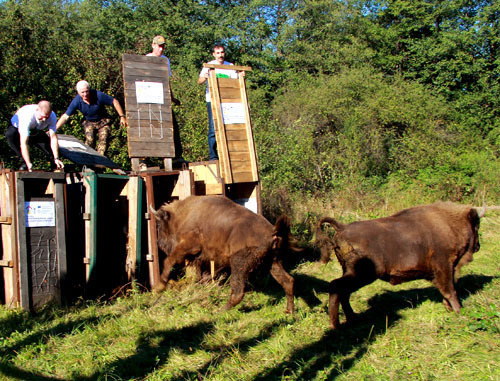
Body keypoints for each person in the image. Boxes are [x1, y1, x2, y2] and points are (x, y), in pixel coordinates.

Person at [56, 80, 127, 156]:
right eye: (82, 92)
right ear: (78, 92)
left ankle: (100, 163)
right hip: (89, 121)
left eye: (87, 91)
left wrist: (122, 116)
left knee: (103, 142)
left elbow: (114, 101)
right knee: (89, 141)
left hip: (103, 121)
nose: (85, 94)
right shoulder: (76, 101)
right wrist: (54, 129)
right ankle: (89, 163)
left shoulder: (98, 95)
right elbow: (65, 116)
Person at [198, 45, 243, 161]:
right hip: (212, 100)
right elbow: (199, 81)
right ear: (214, 54)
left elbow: (236, 81)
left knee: (230, 127)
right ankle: (213, 156)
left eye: (222, 52)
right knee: (213, 128)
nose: (220, 55)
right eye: (218, 53)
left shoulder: (230, 66)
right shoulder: (209, 65)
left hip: (227, 101)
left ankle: (230, 154)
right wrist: (206, 76)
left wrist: (241, 76)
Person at [146, 35, 184, 165]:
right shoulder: (146, 59)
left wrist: (172, 97)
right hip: (149, 96)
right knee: (150, 125)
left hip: (163, 97)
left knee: (172, 125)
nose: (161, 49)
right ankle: (147, 159)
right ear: (153, 45)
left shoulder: (165, 60)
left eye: (163, 46)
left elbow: (167, 81)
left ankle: (176, 156)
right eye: (159, 46)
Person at [5, 100, 64, 171]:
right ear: (37, 110)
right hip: (17, 130)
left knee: (50, 149)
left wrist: (56, 158)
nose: (44, 119)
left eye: (47, 117)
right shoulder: (27, 116)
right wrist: (28, 162)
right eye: (43, 117)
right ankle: (24, 162)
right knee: (10, 134)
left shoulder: (52, 116)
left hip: (36, 131)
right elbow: (24, 143)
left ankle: (55, 164)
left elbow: (53, 138)